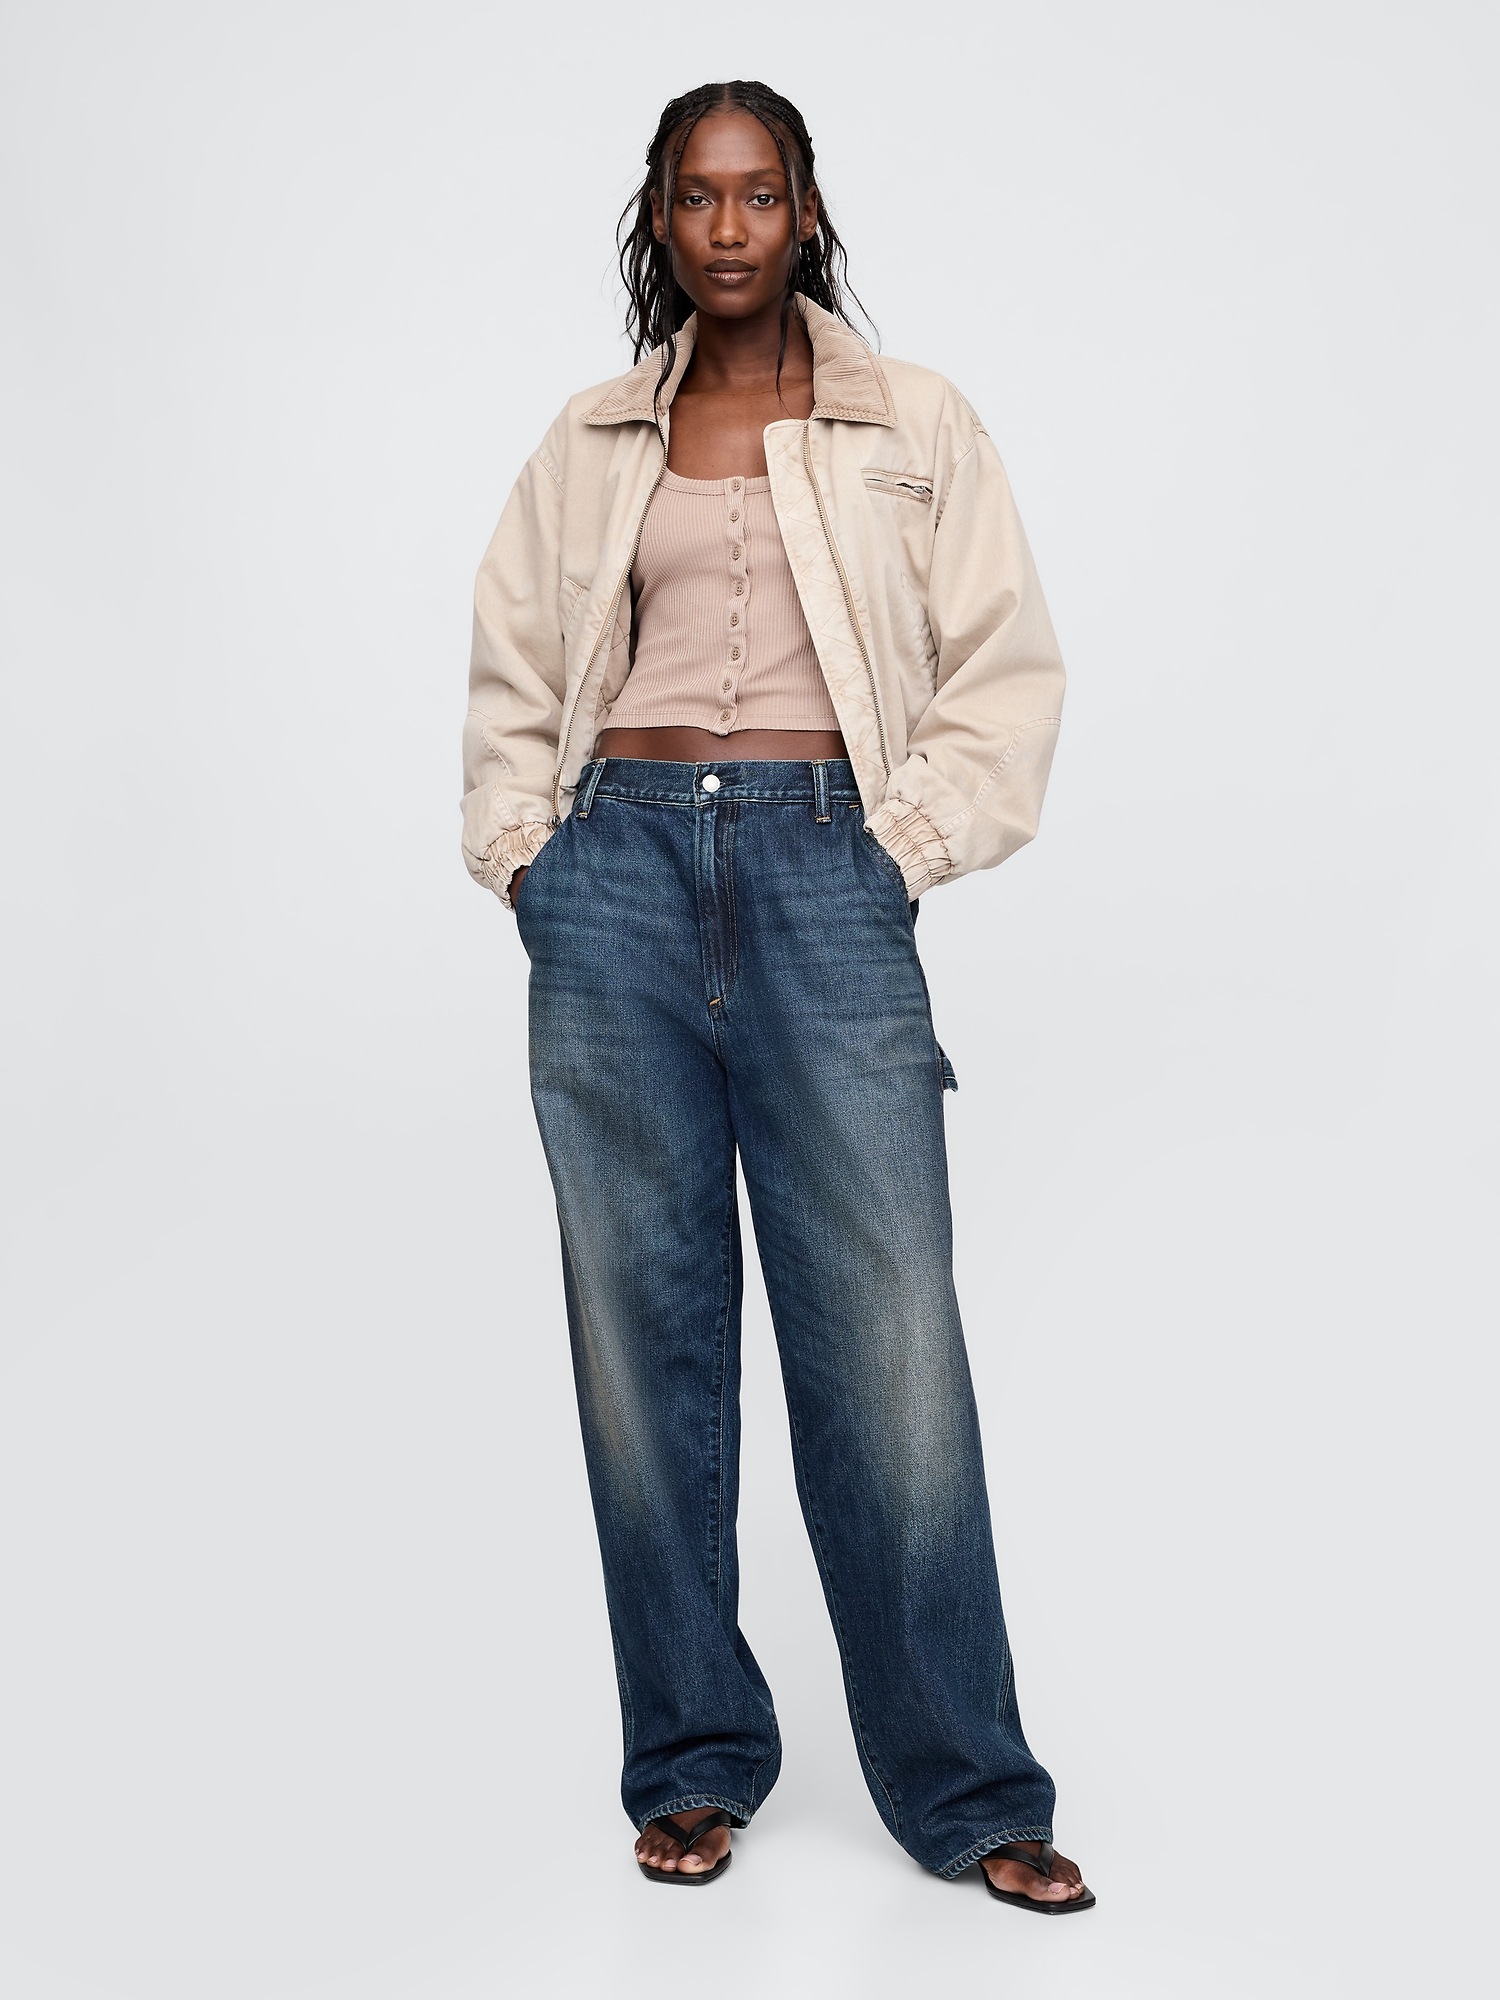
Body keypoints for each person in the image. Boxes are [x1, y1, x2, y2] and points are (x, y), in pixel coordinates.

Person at [461, 79, 1092, 1912]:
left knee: (888, 1340)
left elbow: (1007, 666)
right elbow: (513, 663)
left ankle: (969, 1789)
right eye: (696, 196)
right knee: (641, 1343)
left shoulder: (913, 422)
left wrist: (901, 847)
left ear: (806, 211)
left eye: (758, 195)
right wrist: (532, 858)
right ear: (659, 220)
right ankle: (693, 1760)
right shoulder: (593, 439)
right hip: (618, 882)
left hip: (830, 873)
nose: (728, 227)